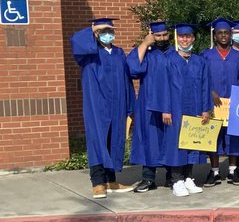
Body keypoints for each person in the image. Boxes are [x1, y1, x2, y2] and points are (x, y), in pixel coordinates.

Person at [71, 18, 136, 198]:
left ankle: (111, 181)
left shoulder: (119, 53)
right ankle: (97, 183)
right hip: (96, 106)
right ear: (96, 33)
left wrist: (131, 106)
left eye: (110, 30)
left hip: (117, 106)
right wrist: (93, 28)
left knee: (114, 141)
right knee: (97, 141)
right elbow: (76, 40)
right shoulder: (88, 54)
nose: (108, 34)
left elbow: (127, 81)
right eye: (103, 31)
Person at [146, 23, 213, 197]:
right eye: (182, 37)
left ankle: (188, 177)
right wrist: (165, 109)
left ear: (193, 38)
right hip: (175, 109)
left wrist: (206, 109)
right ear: (177, 38)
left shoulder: (200, 61)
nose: (185, 39)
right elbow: (162, 87)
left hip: (196, 108)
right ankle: (176, 180)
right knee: (176, 144)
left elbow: (206, 86)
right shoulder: (169, 60)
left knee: (192, 142)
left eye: (188, 36)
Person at [126, 21, 172, 193]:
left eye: (164, 35)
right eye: (157, 35)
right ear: (152, 34)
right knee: (149, 139)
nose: (161, 38)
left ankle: (172, 177)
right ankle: (148, 178)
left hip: (171, 104)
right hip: (149, 103)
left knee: (170, 139)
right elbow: (133, 69)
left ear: (169, 34)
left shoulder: (175, 53)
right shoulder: (147, 53)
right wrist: (145, 43)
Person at [202, 17, 239, 186]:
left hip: (232, 104)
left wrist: (238, 95)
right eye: (220, 33)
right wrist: (210, 92)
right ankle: (214, 172)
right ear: (215, 36)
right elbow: (201, 79)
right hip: (212, 104)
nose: (223, 36)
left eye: (226, 33)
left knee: (233, 136)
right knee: (213, 136)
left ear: (230, 35)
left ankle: (232, 171)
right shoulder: (206, 55)